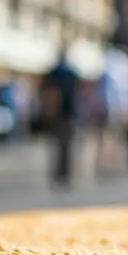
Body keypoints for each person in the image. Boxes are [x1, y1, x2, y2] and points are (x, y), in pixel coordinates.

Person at [39, 49, 82, 188]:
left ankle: (60, 173)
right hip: (65, 113)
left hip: (58, 114)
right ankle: (64, 174)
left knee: (59, 146)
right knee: (65, 146)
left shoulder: (55, 73)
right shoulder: (70, 73)